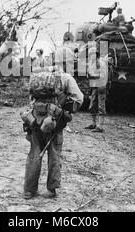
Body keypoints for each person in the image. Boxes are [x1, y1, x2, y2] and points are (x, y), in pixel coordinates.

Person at [21, 67, 84, 199]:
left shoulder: (38, 76)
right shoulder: (66, 78)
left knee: (34, 154)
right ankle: (51, 190)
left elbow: (31, 97)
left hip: (34, 119)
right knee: (54, 155)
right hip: (53, 120)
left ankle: (29, 190)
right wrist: (64, 111)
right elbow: (79, 98)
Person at [84, 47, 108, 133]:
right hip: (94, 85)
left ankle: (100, 126)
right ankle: (93, 123)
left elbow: (103, 75)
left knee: (101, 107)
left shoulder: (100, 63)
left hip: (101, 86)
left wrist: (92, 76)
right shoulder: (92, 63)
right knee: (92, 105)